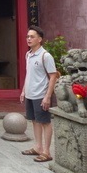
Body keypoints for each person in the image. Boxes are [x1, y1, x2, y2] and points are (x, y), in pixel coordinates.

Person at [20, 26, 58, 163]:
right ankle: (38, 147)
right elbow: (29, 74)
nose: (29, 39)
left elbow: (53, 76)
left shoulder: (45, 56)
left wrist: (47, 96)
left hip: (41, 94)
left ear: (40, 39)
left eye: (32, 36)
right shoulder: (28, 54)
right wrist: (24, 90)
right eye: (27, 36)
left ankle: (46, 152)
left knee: (45, 122)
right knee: (34, 120)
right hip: (30, 94)